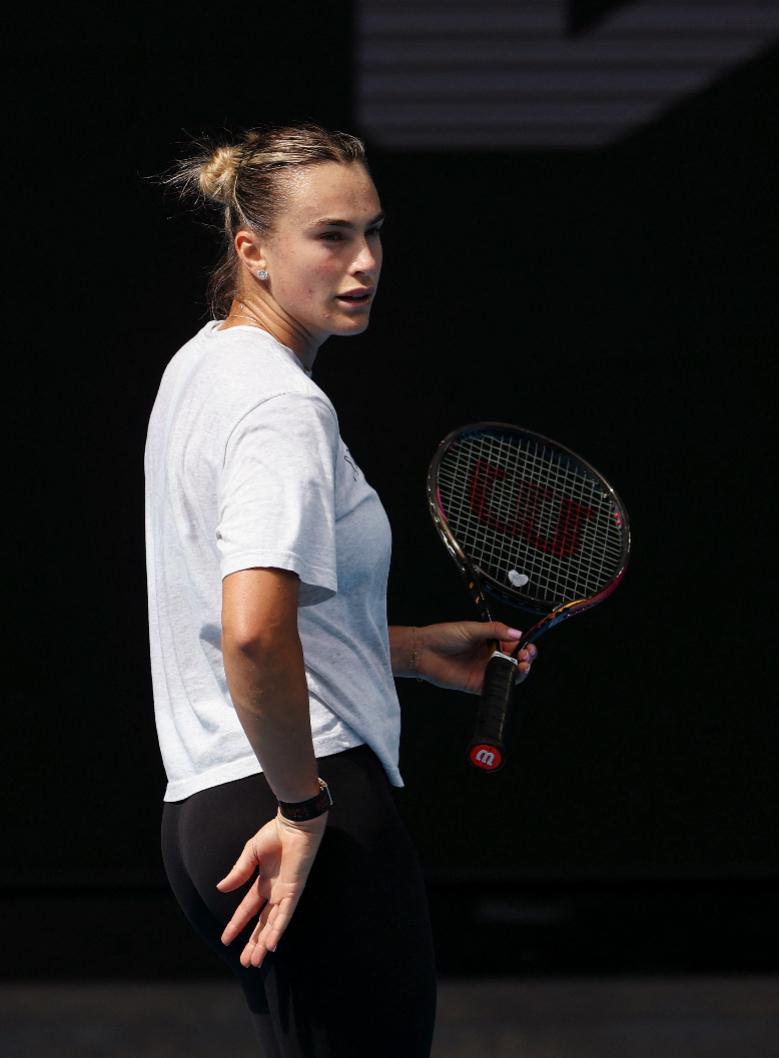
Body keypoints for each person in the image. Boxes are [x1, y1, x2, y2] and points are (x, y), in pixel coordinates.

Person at [143, 121, 537, 1058]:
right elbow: (250, 635)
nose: (364, 262)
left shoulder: (201, 364)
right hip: (297, 808)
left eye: (373, 232)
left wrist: (403, 650)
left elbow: (229, 619)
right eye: (330, 236)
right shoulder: (282, 406)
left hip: (203, 814)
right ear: (252, 251)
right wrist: (303, 807)